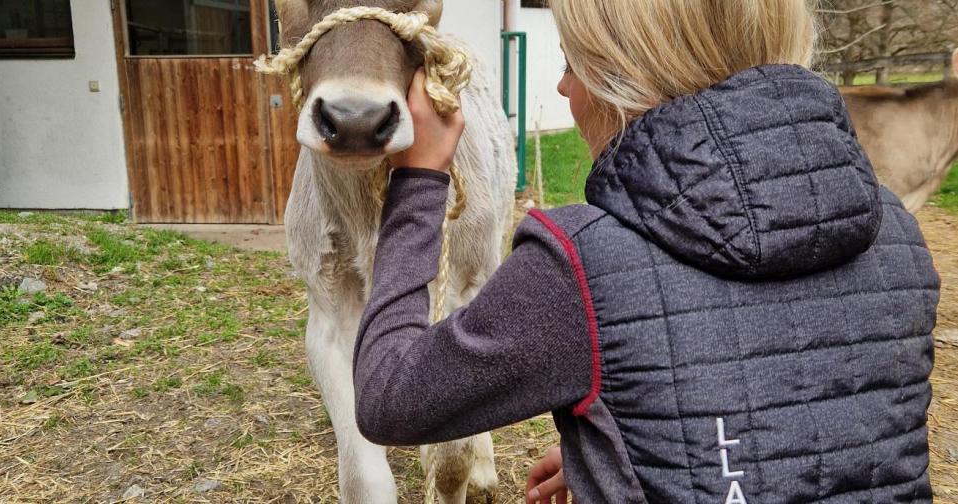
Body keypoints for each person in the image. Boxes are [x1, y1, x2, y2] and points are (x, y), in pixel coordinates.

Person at [353, 1, 941, 502]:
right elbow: (821, 407)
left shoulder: (581, 265)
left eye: (571, 64)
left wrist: (419, 179)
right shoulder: (893, 229)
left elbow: (388, 399)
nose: (562, 87)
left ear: (622, 73)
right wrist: (638, 443)